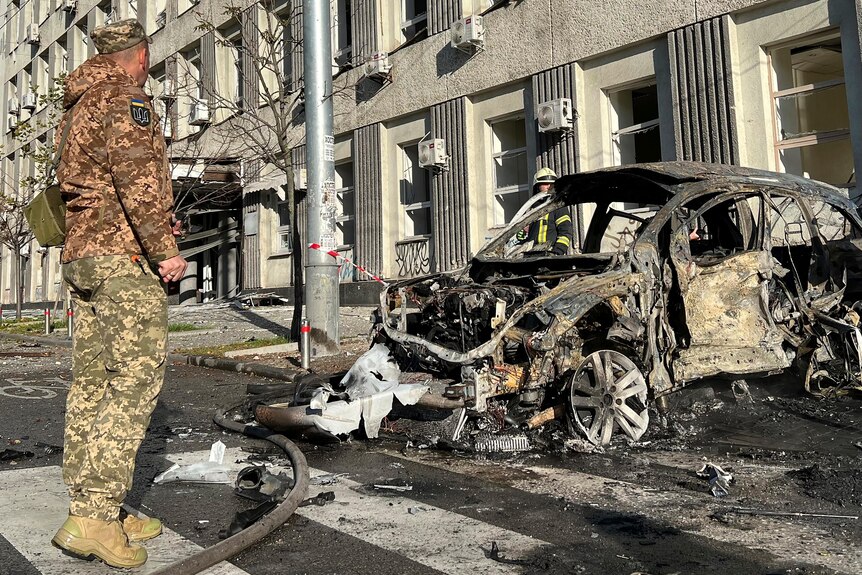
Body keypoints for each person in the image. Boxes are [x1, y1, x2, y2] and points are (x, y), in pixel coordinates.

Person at [50, 19, 187, 569]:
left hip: (83, 256)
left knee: (91, 382)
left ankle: (92, 502)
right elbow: (137, 180)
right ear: (142, 54)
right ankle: (95, 518)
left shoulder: (79, 101)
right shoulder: (126, 99)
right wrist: (163, 250)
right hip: (122, 259)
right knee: (134, 381)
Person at [520, 167, 574, 255]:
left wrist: (557, 252)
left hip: (549, 255)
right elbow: (524, 234)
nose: (549, 186)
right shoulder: (532, 207)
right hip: (531, 255)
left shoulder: (558, 206)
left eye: (552, 184)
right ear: (537, 186)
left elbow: (566, 231)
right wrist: (522, 233)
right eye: (545, 183)